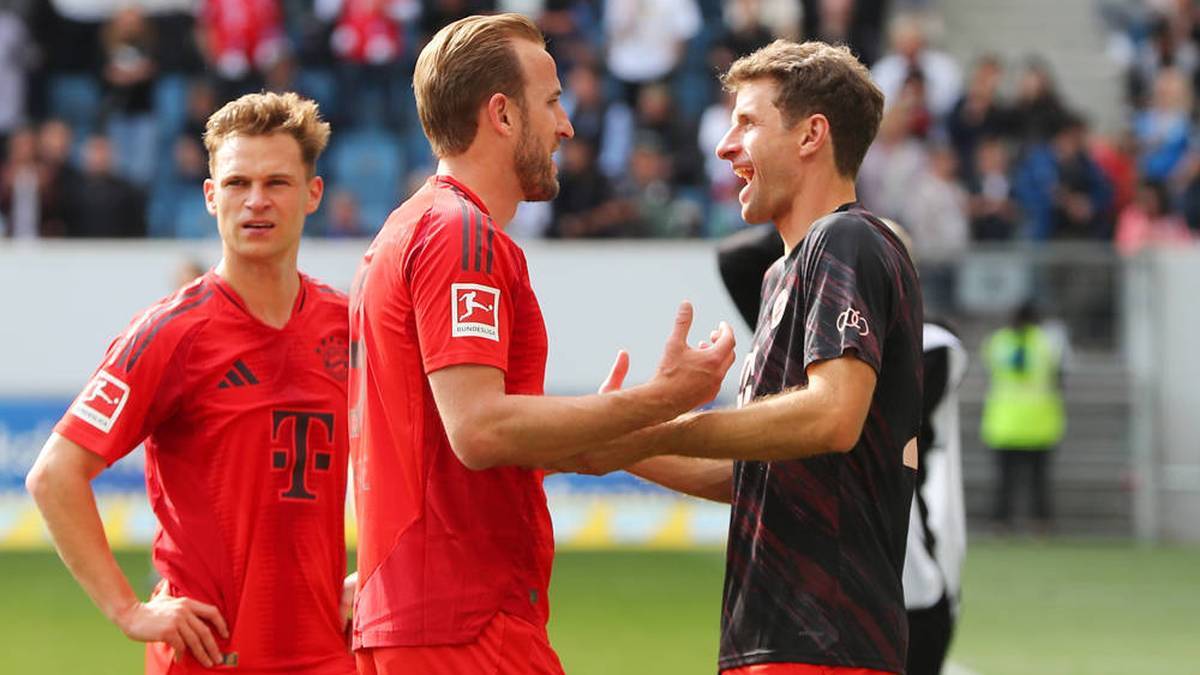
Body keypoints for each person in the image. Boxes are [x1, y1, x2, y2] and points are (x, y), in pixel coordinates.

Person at [347, 14, 735, 675]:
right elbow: (481, 428)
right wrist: (661, 396)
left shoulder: (416, 226)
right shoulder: (458, 234)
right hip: (463, 622)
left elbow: (495, 436)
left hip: (433, 617)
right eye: (552, 101)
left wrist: (647, 423)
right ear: (502, 113)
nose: (567, 125)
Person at [561, 40, 924, 675]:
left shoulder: (847, 240)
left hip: (827, 647)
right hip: (776, 643)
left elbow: (831, 417)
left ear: (813, 135)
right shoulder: (782, 274)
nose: (726, 146)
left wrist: (663, 427)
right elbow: (755, 475)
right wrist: (615, 445)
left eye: (748, 123)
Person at [25, 92, 356, 675]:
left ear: (313, 194)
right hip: (208, 657)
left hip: (329, 652)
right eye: (236, 183)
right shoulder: (170, 334)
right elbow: (54, 475)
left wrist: (374, 568)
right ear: (210, 197)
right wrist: (127, 609)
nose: (256, 201)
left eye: (277, 182)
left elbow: (410, 457)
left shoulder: (348, 325)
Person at [714, 220, 969, 675]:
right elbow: (733, 256)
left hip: (917, 573)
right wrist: (820, 238)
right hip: (838, 584)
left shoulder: (936, 345)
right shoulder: (822, 341)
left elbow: (851, 403)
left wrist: (848, 244)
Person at [982, 301, 1066, 535]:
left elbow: (990, 369)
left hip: (1004, 423)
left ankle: (1001, 523)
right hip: (1039, 423)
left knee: (1005, 481)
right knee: (1038, 480)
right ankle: (1041, 523)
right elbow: (1058, 377)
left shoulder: (998, 342)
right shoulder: (1047, 342)